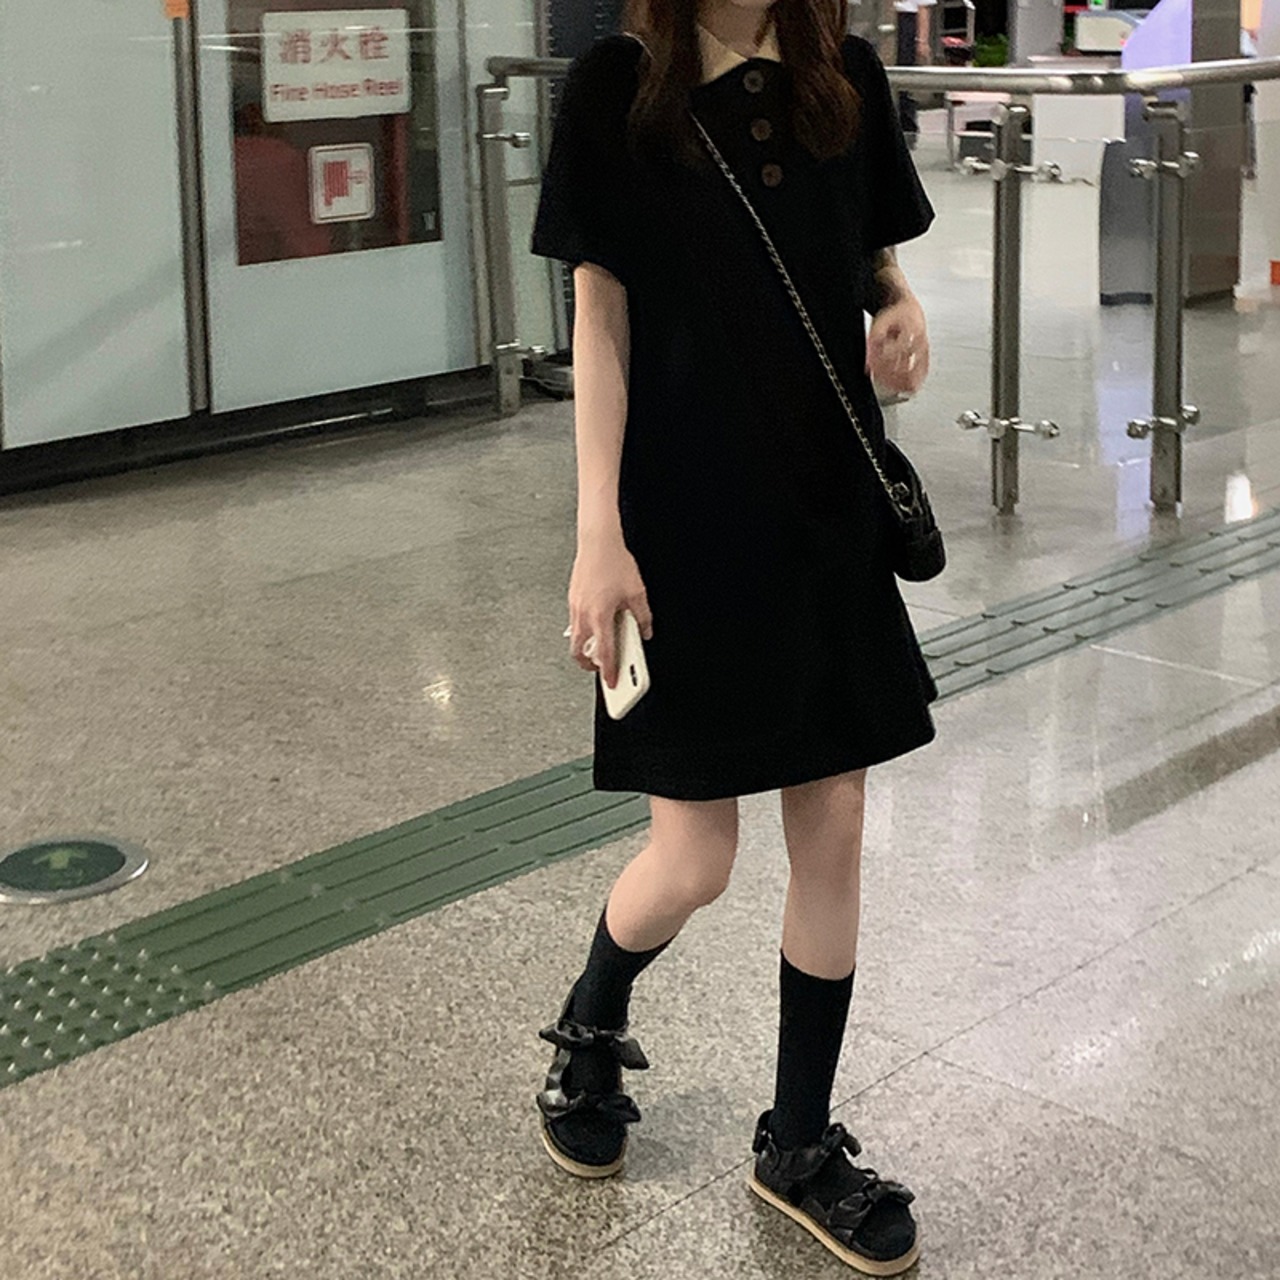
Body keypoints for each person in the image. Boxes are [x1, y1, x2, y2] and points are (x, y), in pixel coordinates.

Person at [531, 1, 938, 1273]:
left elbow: (859, 245)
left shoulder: (842, 74)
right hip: (682, 525)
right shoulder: (618, 88)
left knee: (835, 821)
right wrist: (597, 531)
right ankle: (590, 1018)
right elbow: (600, 321)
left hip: (822, 513)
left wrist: (895, 298)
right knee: (694, 855)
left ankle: (798, 1142)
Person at [893, 0, 936, 144]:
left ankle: (907, 127)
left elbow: (923, 6)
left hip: (905, 20)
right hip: (878, 19)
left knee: (905, 77)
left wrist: (922, 40)